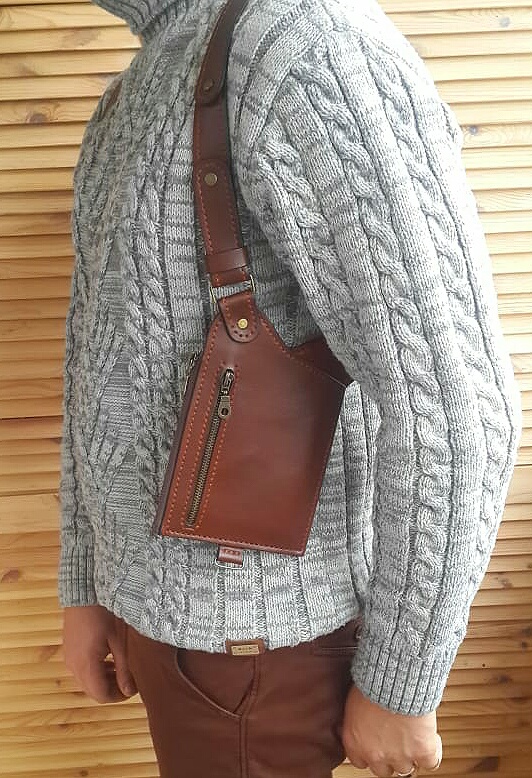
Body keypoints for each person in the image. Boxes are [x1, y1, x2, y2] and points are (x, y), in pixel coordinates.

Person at [59, 0, 522, 776]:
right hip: (166, 631)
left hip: (258, 657)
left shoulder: (306, 44)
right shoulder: (141, 80)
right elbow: (96, 362)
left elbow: (456, 406)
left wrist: (402, 683)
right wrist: (91, 583)